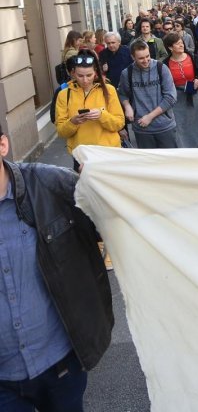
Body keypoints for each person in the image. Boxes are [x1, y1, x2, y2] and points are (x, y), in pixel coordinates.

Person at [0, 123, 113, 411]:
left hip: (60, 365)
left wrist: (100, 186)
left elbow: (112, 221)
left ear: (3, 146)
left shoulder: (49, 185)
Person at [55, 49, 125, 170]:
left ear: (96, 73)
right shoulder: (63, 95)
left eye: (89, 75)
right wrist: (73, 122)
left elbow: (119, 123)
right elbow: (61, 132)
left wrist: (102, 115)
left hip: (108, 152)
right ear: (73, 73)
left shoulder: (108, 90)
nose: (85, 80)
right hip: (81, 155)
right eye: (80, 76)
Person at [118, 39, 178, 148]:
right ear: (133, 57)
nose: (145, 60)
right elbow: (122, 93)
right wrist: (127, 106)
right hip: (141, 128)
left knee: (169, 163)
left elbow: (171, 98)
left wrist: (150, 117)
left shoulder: (161, 68)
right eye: (141, 58)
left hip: (164, 126)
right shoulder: (127, 73)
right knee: (148, 164)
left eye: (147, 56)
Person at [162, 32, 198, 148]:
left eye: (181, 43)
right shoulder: (165, 64)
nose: (181, 45)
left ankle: (197, 147)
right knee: (179, 125)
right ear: (170, 47)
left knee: (194, 124)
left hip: (193, 95)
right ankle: (183, 148)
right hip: (176, 98)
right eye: (177, 44)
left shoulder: (192, 57)